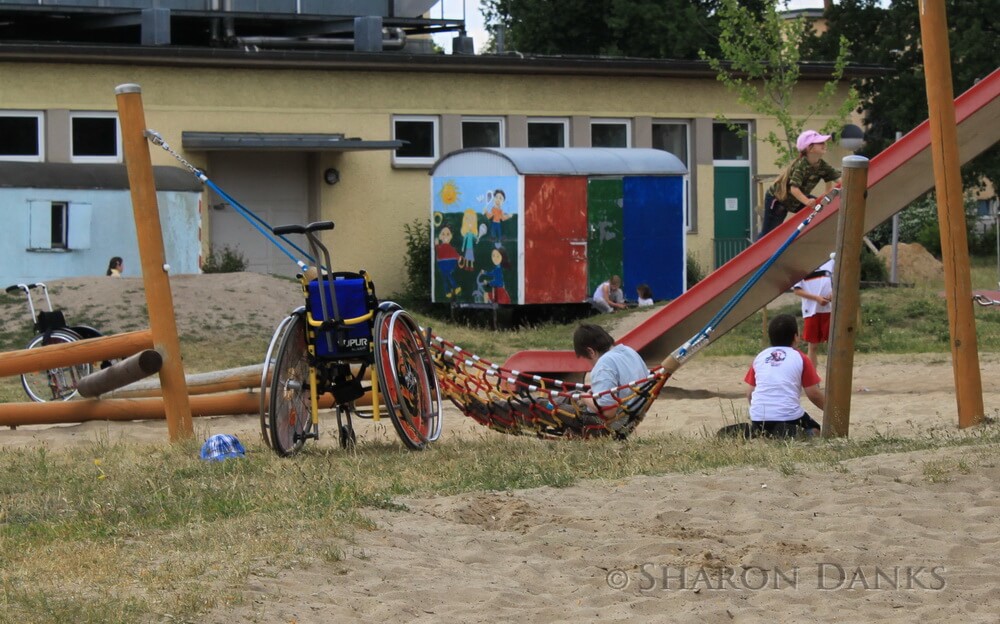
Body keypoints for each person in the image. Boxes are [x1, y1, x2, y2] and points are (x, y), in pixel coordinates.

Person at [742, 313, 824, 438]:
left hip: (759, 417)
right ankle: (791, 432)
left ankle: (759, 430)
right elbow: (813, 394)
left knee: (765, 427)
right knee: (814, 428)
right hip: (788, 416)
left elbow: (750, 393)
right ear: (796, 337)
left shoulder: (761, 356)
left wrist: (759, 412)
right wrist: (833, 412)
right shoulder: (801, 357)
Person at [760, 130, 842, 236]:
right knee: (769, 233)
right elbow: (794, 189)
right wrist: (807, 201)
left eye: (824, 142)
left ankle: (813, 235)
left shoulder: (822, 165)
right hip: (778, 199)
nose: (824, 144)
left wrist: (828, 191)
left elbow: (839, 179)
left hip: (797, 199)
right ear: (809, 148)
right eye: (820, 142)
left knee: (820, 208)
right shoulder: (801, 165)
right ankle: (759, 246)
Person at [573, 324, 649, 429]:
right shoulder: (629, 351)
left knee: (555, 404)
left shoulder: (603, 365)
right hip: (634, 412)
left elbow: (608, 412)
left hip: (614, 422)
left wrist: (584, 397)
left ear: (590, 352)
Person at [792, 254, 834, 369]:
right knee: (813, 345)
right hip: (811, 310)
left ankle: (834, 374)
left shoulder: (830, 261)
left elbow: (837, 282)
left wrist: (832, 293)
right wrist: (817, 298)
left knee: (833, 344)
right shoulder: (801, 265)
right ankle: (812, 376)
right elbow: (797, 290)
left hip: (829, 308)